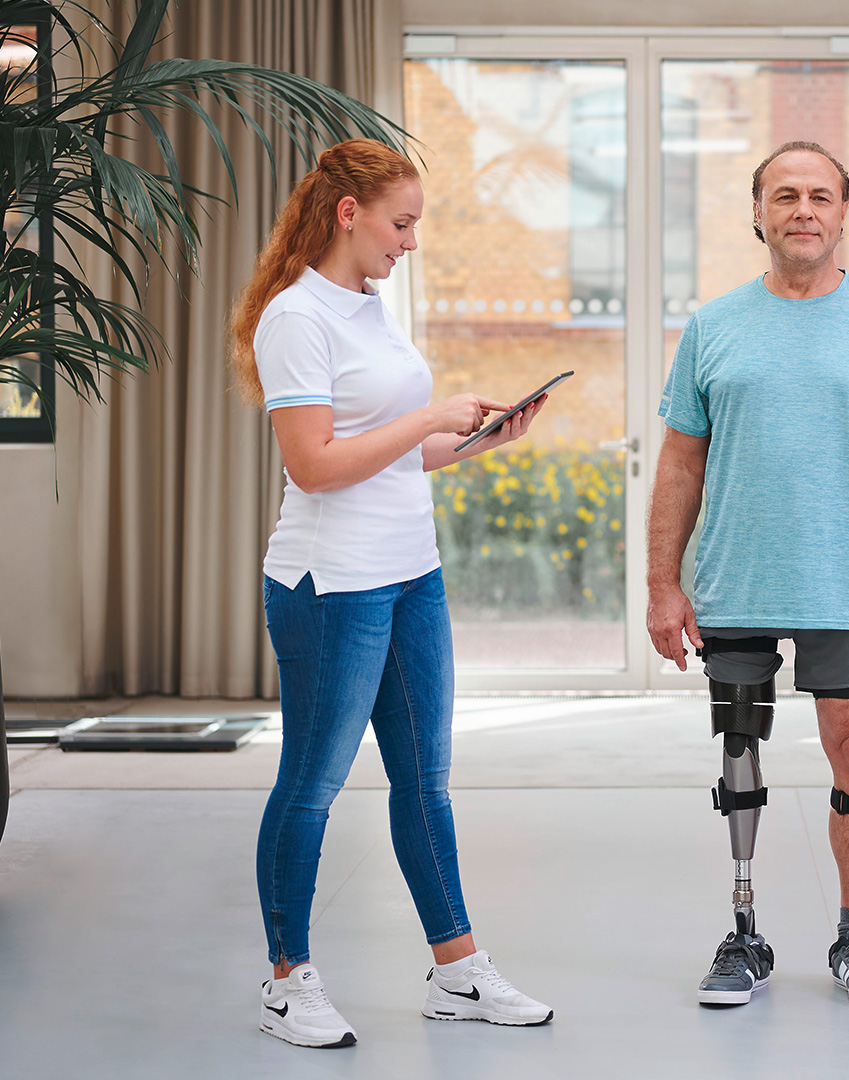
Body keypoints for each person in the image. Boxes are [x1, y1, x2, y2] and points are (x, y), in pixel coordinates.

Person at [228, 138, 553, 1049]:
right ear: (348, 213)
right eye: (401, 223)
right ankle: (287, 981)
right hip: (332, 586)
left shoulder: (368, 309)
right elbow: (315, 465)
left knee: (424, 787)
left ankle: (458, 974)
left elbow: (398, 452)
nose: (410, 241)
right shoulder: (298, 318)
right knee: (312, 785)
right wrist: (426, 413)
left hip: (412, 573)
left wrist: (486, 439)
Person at [647, 140, 849, 1009]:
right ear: (757, 213)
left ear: (844, 213)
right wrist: (661, 585)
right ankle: (745, 936)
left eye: (820, 195)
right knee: (740, 753)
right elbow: (679, 466)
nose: (803, 210)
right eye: (784, 195)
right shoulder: (713, 327)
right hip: (735, 581)